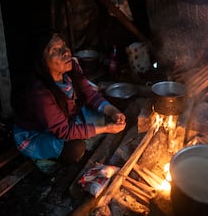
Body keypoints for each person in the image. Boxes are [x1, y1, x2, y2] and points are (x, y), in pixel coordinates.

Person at [12, 33, 126, 174]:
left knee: (102, 112)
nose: (65, 52)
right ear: (42, 61)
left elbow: (89, 94)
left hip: (66, 118)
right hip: (38, 133)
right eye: (55, 50)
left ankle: (89, 128)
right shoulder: (39, 92)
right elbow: (64, 131)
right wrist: (105, 129)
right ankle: (47, 157)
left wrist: (114, 111)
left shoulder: (72, 67)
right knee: (75, 149)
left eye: (64, 46)